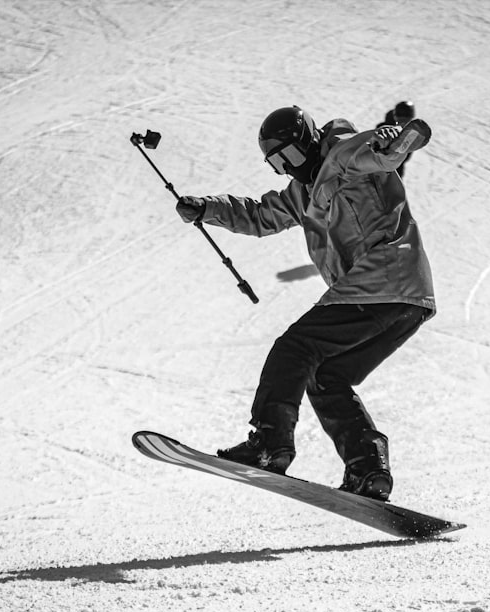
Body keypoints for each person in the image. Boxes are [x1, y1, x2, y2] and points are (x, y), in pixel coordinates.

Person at [175, 105, 434, 501]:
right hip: (405, 298)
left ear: (309, 140)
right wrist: (208, 208)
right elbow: (260, 215)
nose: (289, 167)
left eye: (292, 156)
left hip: (382, 279)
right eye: (278, 164)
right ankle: (368, 470)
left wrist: (395, 139)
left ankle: (270, 442)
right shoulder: (303, 192)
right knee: (325, 375)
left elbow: (379, 152)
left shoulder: (343, 153)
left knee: (295, 350)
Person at [378, 100, 416, 177]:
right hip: (376, 167)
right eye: (401, 118)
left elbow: (406, 156)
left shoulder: (410, 133)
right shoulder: (383, 128)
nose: (403, 122)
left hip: (394, 171)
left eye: (407, 119)